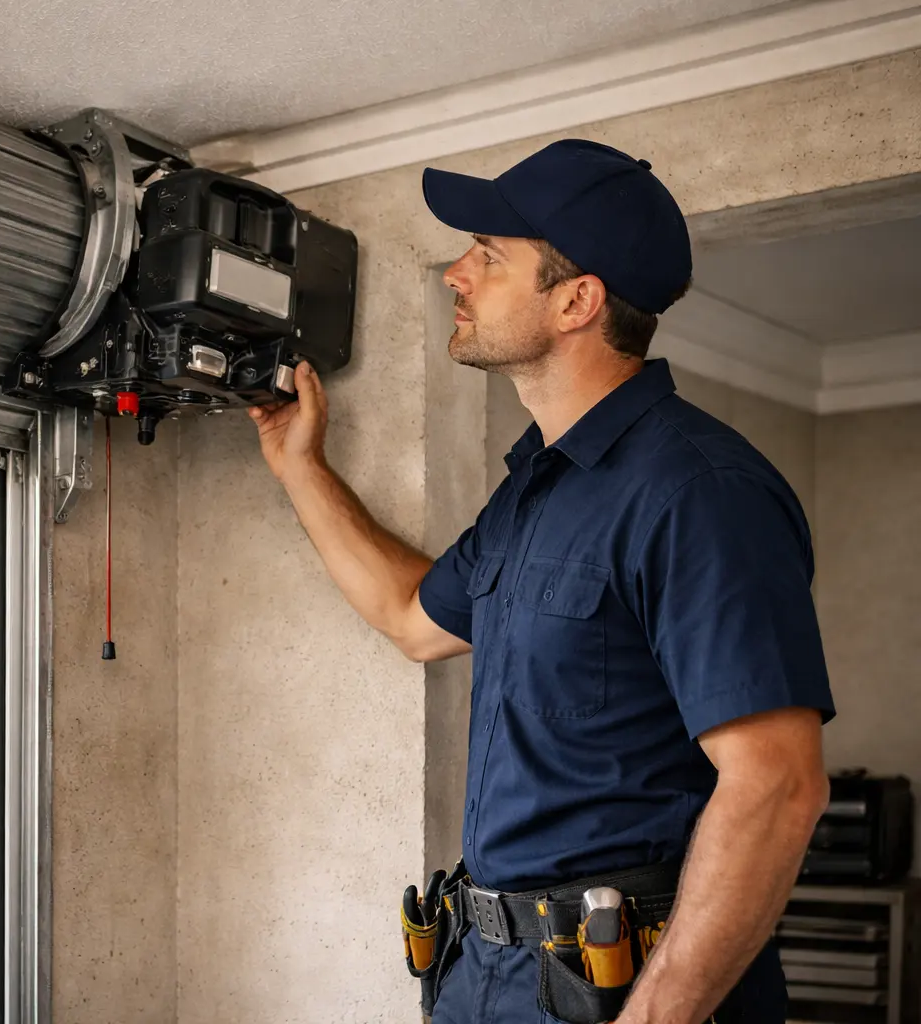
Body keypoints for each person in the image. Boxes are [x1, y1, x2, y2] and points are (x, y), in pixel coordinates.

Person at [251, 140, 834, 1023]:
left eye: (488, 255)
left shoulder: (700, 493)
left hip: (625, 988)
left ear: (576, 301)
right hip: (486, 974)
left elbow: (778, 785)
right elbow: (413, 619)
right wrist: (303, 468)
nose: (456, 272)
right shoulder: (536, 491)